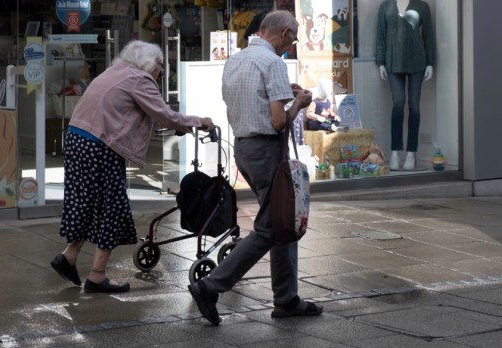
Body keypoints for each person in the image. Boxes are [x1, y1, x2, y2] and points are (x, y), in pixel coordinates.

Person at [188, 10, 323, 326]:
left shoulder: (236, 59)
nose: (292, 45)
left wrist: (282, 94)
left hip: (245, 148)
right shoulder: (272, 62)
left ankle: (287, 298)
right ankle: (210, 286)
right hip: (266, 149)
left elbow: (243, 105)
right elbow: (279, 121)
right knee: (270, 227)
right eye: (292, 38)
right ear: (283, 31)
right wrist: (299, 105)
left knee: (282, 221)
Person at [50, 40, 214, 293]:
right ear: (150, 64)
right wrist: (197, 122)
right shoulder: (140, 79)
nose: (160, 71)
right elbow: (165, 115)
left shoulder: (113, 71)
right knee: (111, 207)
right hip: (99, 145)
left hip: (76, 138)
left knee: (87, 201)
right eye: (160, 65)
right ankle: (97, 276)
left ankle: (69, 255)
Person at [375, 0, 435, 170]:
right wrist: (380, 62)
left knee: (414, 106)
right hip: (393, 62)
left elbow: (428, 35)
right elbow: (380, 34)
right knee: (398, 103)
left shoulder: (422, 6)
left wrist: (430, 62)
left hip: (417, 61)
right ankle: (394, 151)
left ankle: (411, 152)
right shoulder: (385, 6)